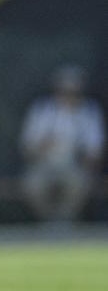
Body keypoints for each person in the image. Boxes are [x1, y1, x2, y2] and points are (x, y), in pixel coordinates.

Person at [19, 64, 104, 223]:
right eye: (64, 90)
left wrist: (87, 161)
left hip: (74, 164)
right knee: (32, 185)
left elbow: (95, 149)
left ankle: (64, 223)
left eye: (73, 91)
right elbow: (28, 146)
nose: (68, 95)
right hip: (44, 164)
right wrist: (44, 145)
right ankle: (49, 222)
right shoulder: (43, 110)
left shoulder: (89, 112)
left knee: (79, 183)